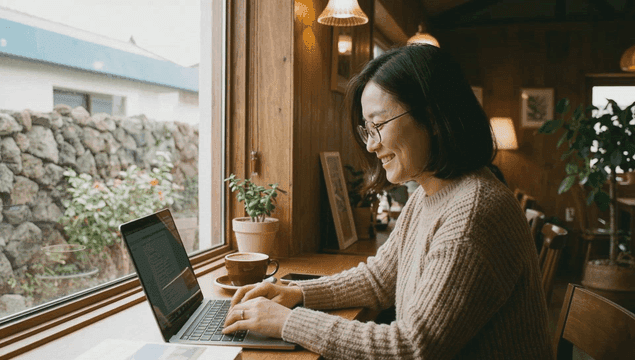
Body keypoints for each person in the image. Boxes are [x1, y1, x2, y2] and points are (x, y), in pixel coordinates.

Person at [223, 45, 553, 359]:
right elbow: (380, 279)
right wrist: (298, 293)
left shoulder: (473, 214)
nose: (370, 145)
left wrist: (288, 322)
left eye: (378, 125)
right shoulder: (431, 193)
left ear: (433, 118)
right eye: (367, 128)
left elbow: (411, 348)